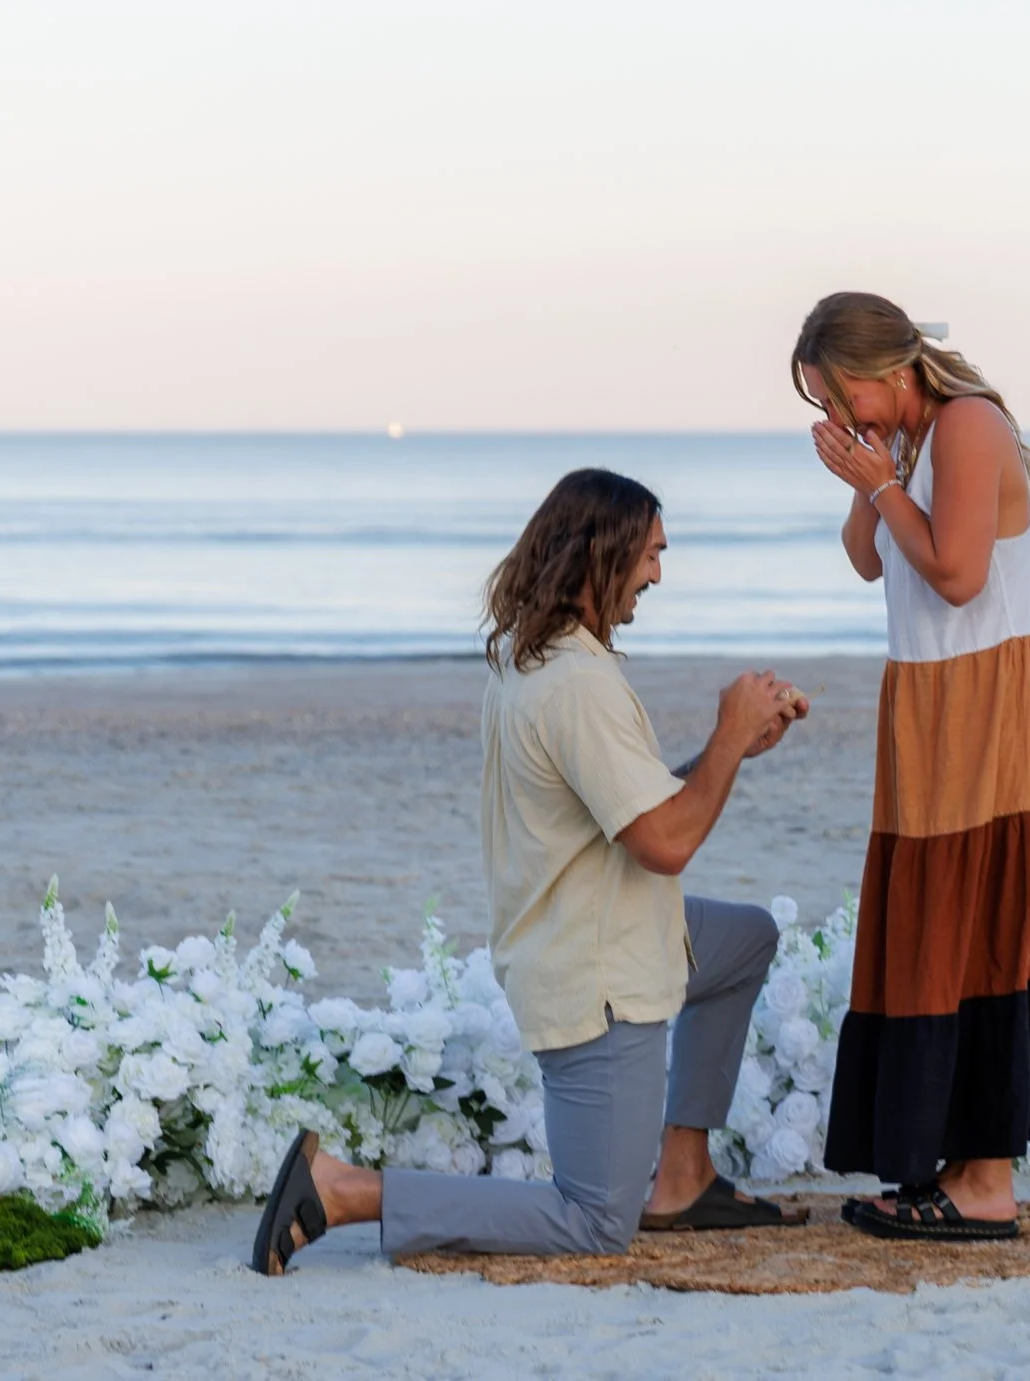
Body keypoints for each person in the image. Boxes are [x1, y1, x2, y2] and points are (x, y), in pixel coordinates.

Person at [250, 467, 810, 1273]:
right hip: (598, 973)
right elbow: (666, 843)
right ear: (599, 555)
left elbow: (628, 805)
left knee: (747, 938)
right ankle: (344, 1190)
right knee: (592, 1218)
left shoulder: (533, 657)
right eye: (649, 555)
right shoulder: (578, 684)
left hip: (617, 926)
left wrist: (731, 755)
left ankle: (683, 1175)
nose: (658, 574)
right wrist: (728, 734)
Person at [796, 292, 1030, 1242]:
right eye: (827, 408)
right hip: (932, 698)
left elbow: (957, 575)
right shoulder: (912, 443)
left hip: (993, 693)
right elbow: (867, 560)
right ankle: (955, 1166)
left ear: (892, 369)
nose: (840, 418)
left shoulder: (965, 423)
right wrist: (866, 474)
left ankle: (987, 1179)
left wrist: (882, 479)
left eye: (843, 398)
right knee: (934, 916)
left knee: (985, 910)